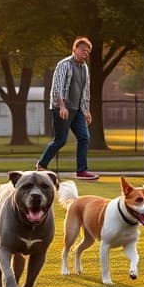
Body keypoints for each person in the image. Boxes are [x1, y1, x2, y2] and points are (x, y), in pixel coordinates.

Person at [36, 36, 99, 180]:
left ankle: (81, 171)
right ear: (75, 49)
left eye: (88, 52)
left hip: (77, 110)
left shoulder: (84, 68)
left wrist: (86, 110)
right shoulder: (64, 64)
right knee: (61, 140)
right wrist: (62, 107)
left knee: (84, 137)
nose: (86, 53)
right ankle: (41, 164)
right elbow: (57, 87)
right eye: (83, 50)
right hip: (62, 108)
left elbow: (85, 91)